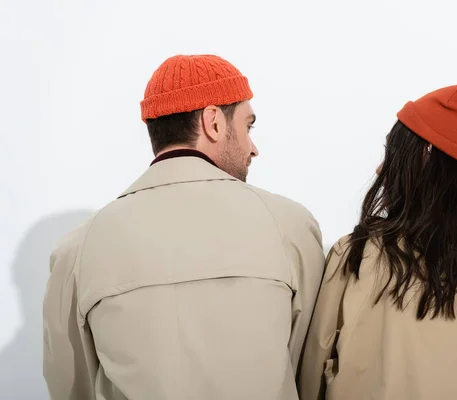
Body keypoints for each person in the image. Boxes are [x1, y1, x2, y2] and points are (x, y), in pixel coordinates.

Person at [42, 54, 326, 400]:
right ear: (214, 122)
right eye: (248, 125)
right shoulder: (290, 226)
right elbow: (307, 371)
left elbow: (72, 388)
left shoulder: (78, 248)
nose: (254, 148)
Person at [298, 84, 457, 400]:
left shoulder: (356, 256)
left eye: (393, 152)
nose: (381, 168)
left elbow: (310, 381)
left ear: (424, 154)